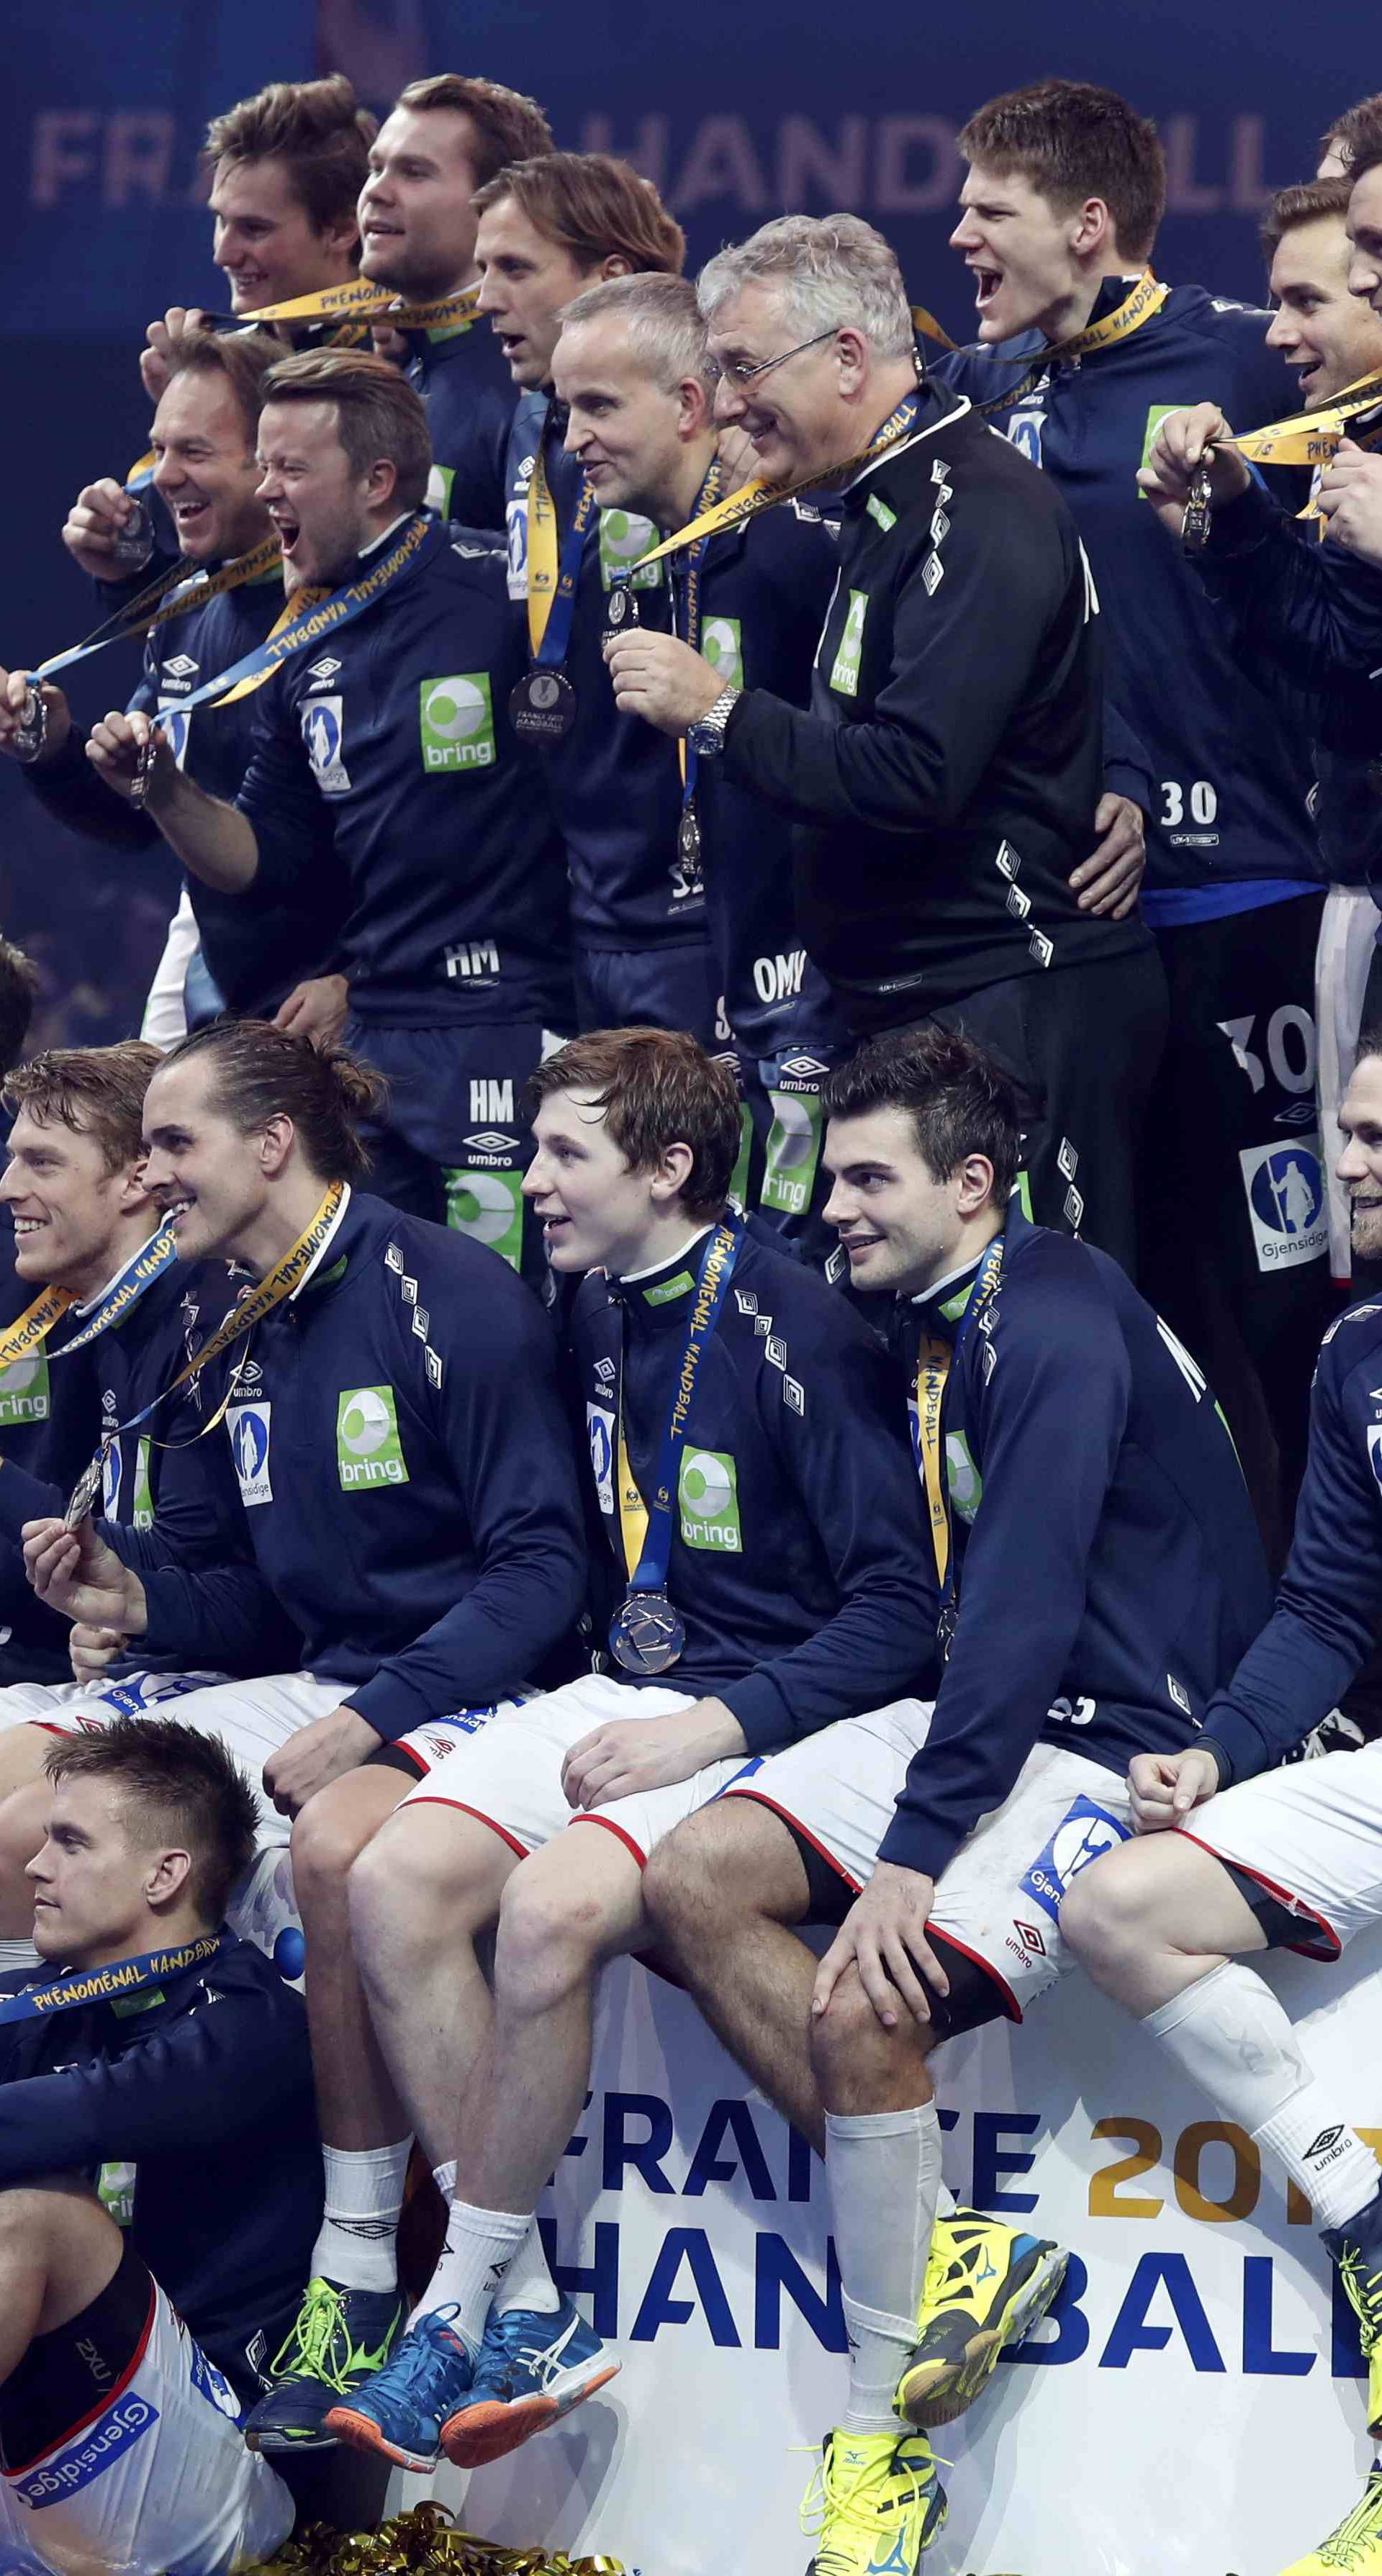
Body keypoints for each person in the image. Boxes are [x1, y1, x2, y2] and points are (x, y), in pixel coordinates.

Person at [243, 1024, 937, 2470]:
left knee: (551, 1907)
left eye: (568, 1153)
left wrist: (709, 1722)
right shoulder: (602, 1299)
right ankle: (537, 2307)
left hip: (776, 1703)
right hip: (633, 1677)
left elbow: (898, 1613)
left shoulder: (794, 1317)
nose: (533, 1183)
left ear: (669, 1164)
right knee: (390, 1876)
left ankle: (453, 2302)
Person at [638, 1023, 1270, 2575]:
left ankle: (880, 2441)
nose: (833, 1203)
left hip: (1117, 1736)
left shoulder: (1052, 1316)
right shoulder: (953, 1309)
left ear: (973, 1184)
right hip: (993, 1710)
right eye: (831, 1168)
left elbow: (1030, 1604)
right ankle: (956, 2253)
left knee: (867, 2012)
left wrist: (915, 1854)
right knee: (690, 1870)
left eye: (870, 1176)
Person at [22, 1016, 589, 2439]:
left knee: (340, 1840)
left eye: (171, 1142)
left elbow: (543, 1570)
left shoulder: (449, 1290)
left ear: (271, 1143)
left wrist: (377, 1717)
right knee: (26, 1779)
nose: (149, 1178)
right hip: (325, 1676)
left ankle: (370, 2271)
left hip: (487, 1683)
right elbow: (250, 1601)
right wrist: (136, 1588)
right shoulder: (230, 1318)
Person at [606, 210, 1168, 1280]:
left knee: (1046, 1326)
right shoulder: (877, 504)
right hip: (924, 1008)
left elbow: (914, 773)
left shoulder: (979, 507)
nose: (723, 405)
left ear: (848, 358)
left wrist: (718, 711)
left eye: (740, 367)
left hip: (1020, 999)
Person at [931, 78, 1334, 1558]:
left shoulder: (1248, 359)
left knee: (1280, 1297)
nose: (957, 229)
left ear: (1088, 225)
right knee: (1125, 1293)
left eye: (990, 206)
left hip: (1245, 903)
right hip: (1068, 938)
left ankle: (1326, 1646)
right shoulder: (978, 401)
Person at [1061, 1035, 1382, 2576]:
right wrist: (1226, 1751)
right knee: (1120, 1903)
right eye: (1347, 1128)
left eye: (1381, 1134)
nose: (1352, 1159)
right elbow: (1325, 1602)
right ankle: (1366, 2215)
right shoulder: (1355, 1351)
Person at [85, 348, 573, 1271]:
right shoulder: (301, 641)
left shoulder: (508, 601)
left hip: (507, 1024)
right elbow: (267, 859)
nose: (266, 491)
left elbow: (589, 803)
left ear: (378, 479)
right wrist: (163, 788)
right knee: (379, 1305)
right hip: (369, 1045)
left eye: (291, 468)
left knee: (510, 1309)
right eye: (262, 464)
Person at [552, 270, 845, 1256]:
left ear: (689, 404)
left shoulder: (798, 539)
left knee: (800, 1255)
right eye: (564, 409)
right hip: (721, 959)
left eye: (598, 405)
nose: (573, 437)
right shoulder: (641, 547)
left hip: (819, 971)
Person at [0, 1717, 320, 2576]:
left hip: (213, 2458)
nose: (35, 1867)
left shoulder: (251, 2026)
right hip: (48, 2455)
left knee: (32, 2217)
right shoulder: (48, 2003)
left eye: (69, 1843)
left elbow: (64, 2119)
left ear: (164, 1873)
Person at [6, 333, 350, 1040]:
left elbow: (437, 834)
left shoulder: (358, 604)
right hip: (229, 981)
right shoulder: (187, 606)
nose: (161, 477)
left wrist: (365, 977)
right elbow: (144, 814)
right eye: (158, 449)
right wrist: (54, 750)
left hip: (348, 998)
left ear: (274, 460)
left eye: (193, 452)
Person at [474, 152, 722, 1048]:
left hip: (706, 904)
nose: (484, 297)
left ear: (611, 278)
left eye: (514, 268)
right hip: (583, 903)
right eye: (481, 267)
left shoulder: (723, 421)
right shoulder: (527, 427)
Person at [0, 1044, 271, 1809]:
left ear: (133, 1181)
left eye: (41, 1163)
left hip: (248, 1682)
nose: (8, 1187)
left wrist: (135, 1610)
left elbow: (246, 1574)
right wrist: (108, 1619)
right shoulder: (107, 1316)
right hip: (138, 1669)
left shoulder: (207, 1317)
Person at [358, 73, 553, 530]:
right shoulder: (392, 362)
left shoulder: (532, 382)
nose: (376, 191)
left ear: (493, 205)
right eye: (376, 168)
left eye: (413, 172)